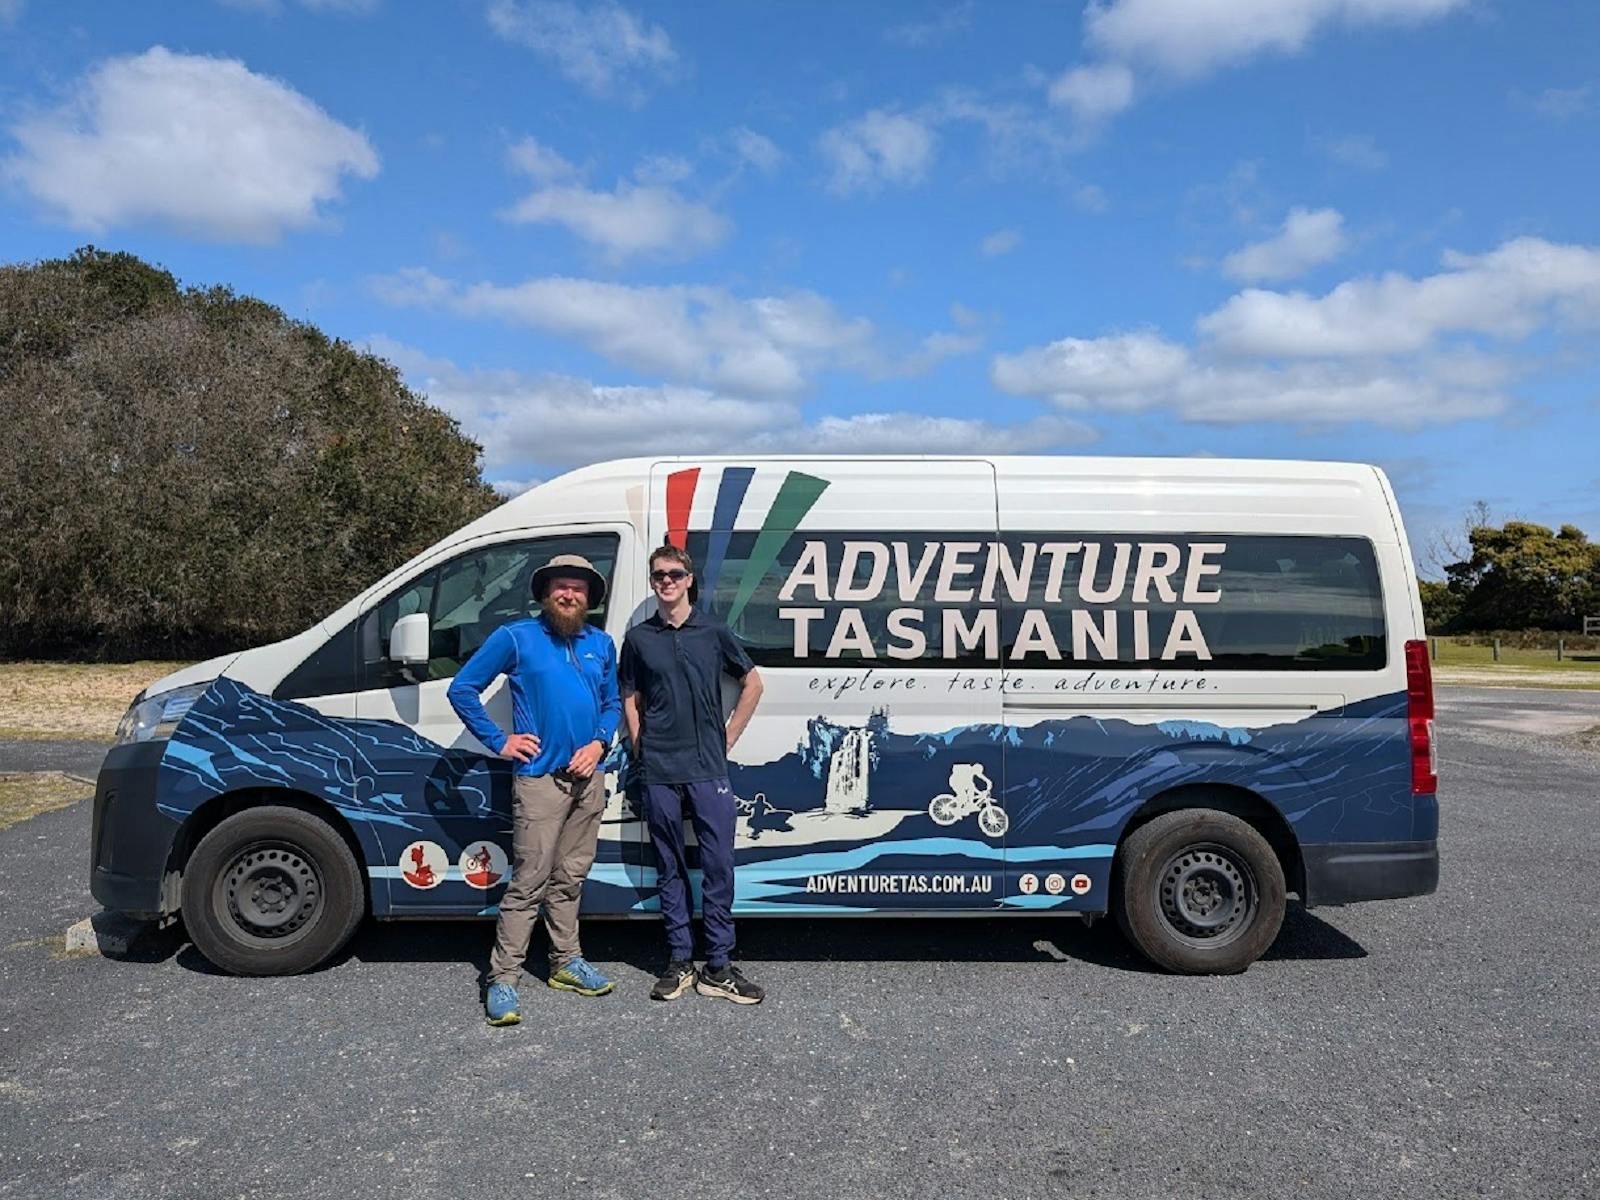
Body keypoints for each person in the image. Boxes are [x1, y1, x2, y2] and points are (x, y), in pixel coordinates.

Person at [447, 553, 621, 1026]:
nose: (569, 594)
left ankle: (566, 962)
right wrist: (499, 741)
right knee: (529, 881)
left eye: (578, 588)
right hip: (540, 780)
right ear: (545, 594)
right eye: (560, 587)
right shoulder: (516, 637)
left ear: (589, 597)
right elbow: (463, 688)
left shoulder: (601, 643)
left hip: (589, 777)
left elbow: (612, 705)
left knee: (571, 877)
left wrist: (599, 743)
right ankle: (503, 979)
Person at [621, 544, 765, 1004]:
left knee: (718, 863)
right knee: (669, 865)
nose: (666, 581)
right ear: (653, 582)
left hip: (708, 766)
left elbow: (754, 683)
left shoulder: (713, 632)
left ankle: (718, 965)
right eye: (658, 575)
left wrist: (729, 736)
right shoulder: (639, 638)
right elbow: (630, 695)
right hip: (659, 767)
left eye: (674, 574)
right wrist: (641, 742)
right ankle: (680, 960)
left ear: (689, 580)